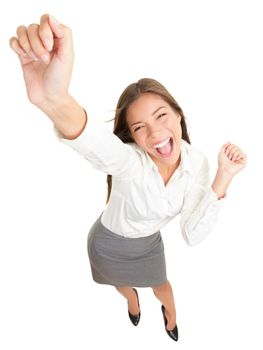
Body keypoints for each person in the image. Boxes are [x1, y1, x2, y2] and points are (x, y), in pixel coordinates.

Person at [9, 14, 247, 342]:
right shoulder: (129, 163)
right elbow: (96, 143)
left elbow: (192, 234)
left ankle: (170, 315)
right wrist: (52, 98)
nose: (155, 133)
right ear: (133, 137)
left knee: (161, 286)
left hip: (148, 244)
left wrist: (223, 177)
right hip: (107, 242)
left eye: (161, 115)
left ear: (178, 114)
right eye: (139, 128)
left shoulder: (199, 163)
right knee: (119, 283)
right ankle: (132, 299)